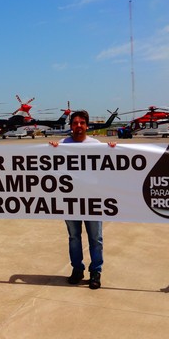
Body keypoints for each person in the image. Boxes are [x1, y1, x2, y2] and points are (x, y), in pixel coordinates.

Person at [50, 110, 114, 289]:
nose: (78, 126)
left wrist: (114, 149)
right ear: (71, 126)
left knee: (96, 238)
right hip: (70, 199)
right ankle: (77, 269)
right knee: (74, 237)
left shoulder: (96, 144)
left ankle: (96, 271)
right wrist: (51, 149)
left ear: (87, 126)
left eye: (82, 123)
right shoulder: (62, 144)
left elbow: (111, 165)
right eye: (75, 123)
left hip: (93, 198)